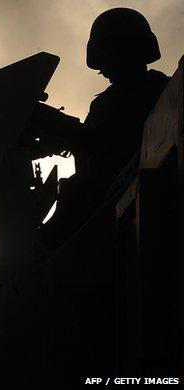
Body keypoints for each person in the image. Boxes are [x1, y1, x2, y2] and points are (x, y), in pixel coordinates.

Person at [39, 7, 170, 250]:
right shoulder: (107, 100)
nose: (103, 66)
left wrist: (62, 126)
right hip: (102, 207)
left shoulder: (156, 90)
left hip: (116, 208)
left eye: (108, 53)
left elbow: (113, 144)